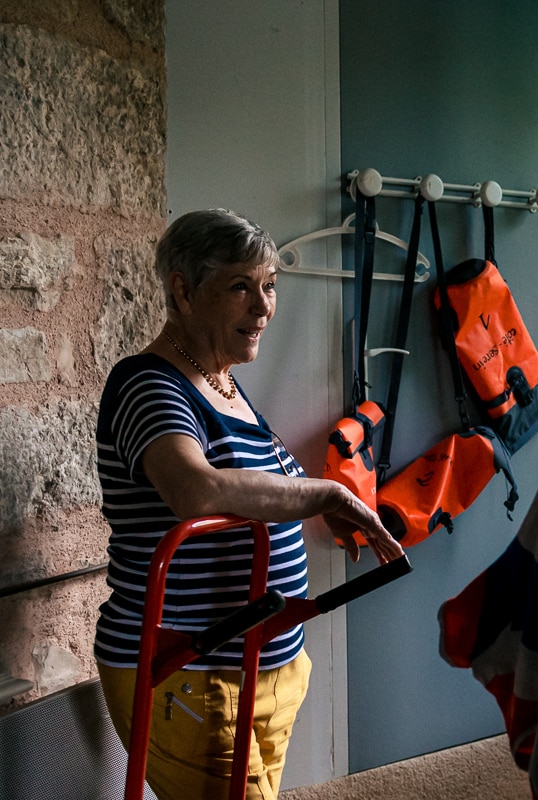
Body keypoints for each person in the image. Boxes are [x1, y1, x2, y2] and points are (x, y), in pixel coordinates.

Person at [94, 208, 404, 800]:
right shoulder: (148, 384)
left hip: (265, 665)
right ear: (182, 291)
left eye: (269, 286)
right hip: (189, 669)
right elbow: (196, 489)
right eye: (240, 286)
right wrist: (327, 493)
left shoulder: (223, 384)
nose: (263, 308)